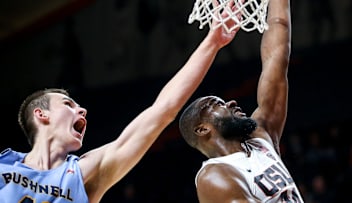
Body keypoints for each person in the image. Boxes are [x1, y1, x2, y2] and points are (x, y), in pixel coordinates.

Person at [0, 5, 243, 203]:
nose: (81, 109)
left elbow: (162, 111)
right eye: (68, 104)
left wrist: (212, 43)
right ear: (41, 115)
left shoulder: (85, 171)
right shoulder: (4, 166)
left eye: (78, 105)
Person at [179, 0, 304, 202]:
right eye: (216, 104)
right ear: (202, 129)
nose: (232, 103)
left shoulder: (261, 139)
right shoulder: (213, 175)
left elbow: (277, 59)